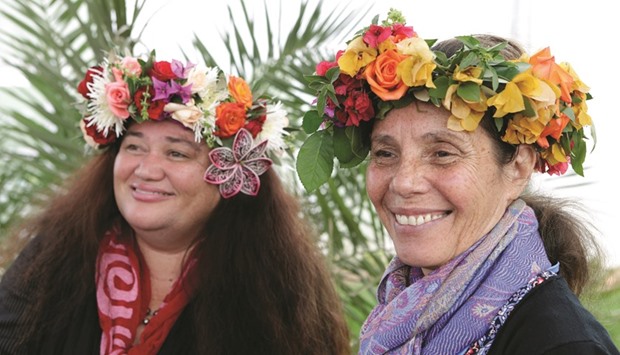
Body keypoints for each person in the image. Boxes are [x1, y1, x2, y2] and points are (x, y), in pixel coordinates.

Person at [297, 9, 619, 355]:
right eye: (385, 154)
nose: (405, 183)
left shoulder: (562, 346)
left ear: (518, 167)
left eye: (443, 153)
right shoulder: (399, 315)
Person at [0, 51, 350, 354]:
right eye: (134, 146)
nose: (147, 169)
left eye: (177, 153)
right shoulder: (55, 255)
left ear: (231, 175)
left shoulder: (273, 292)